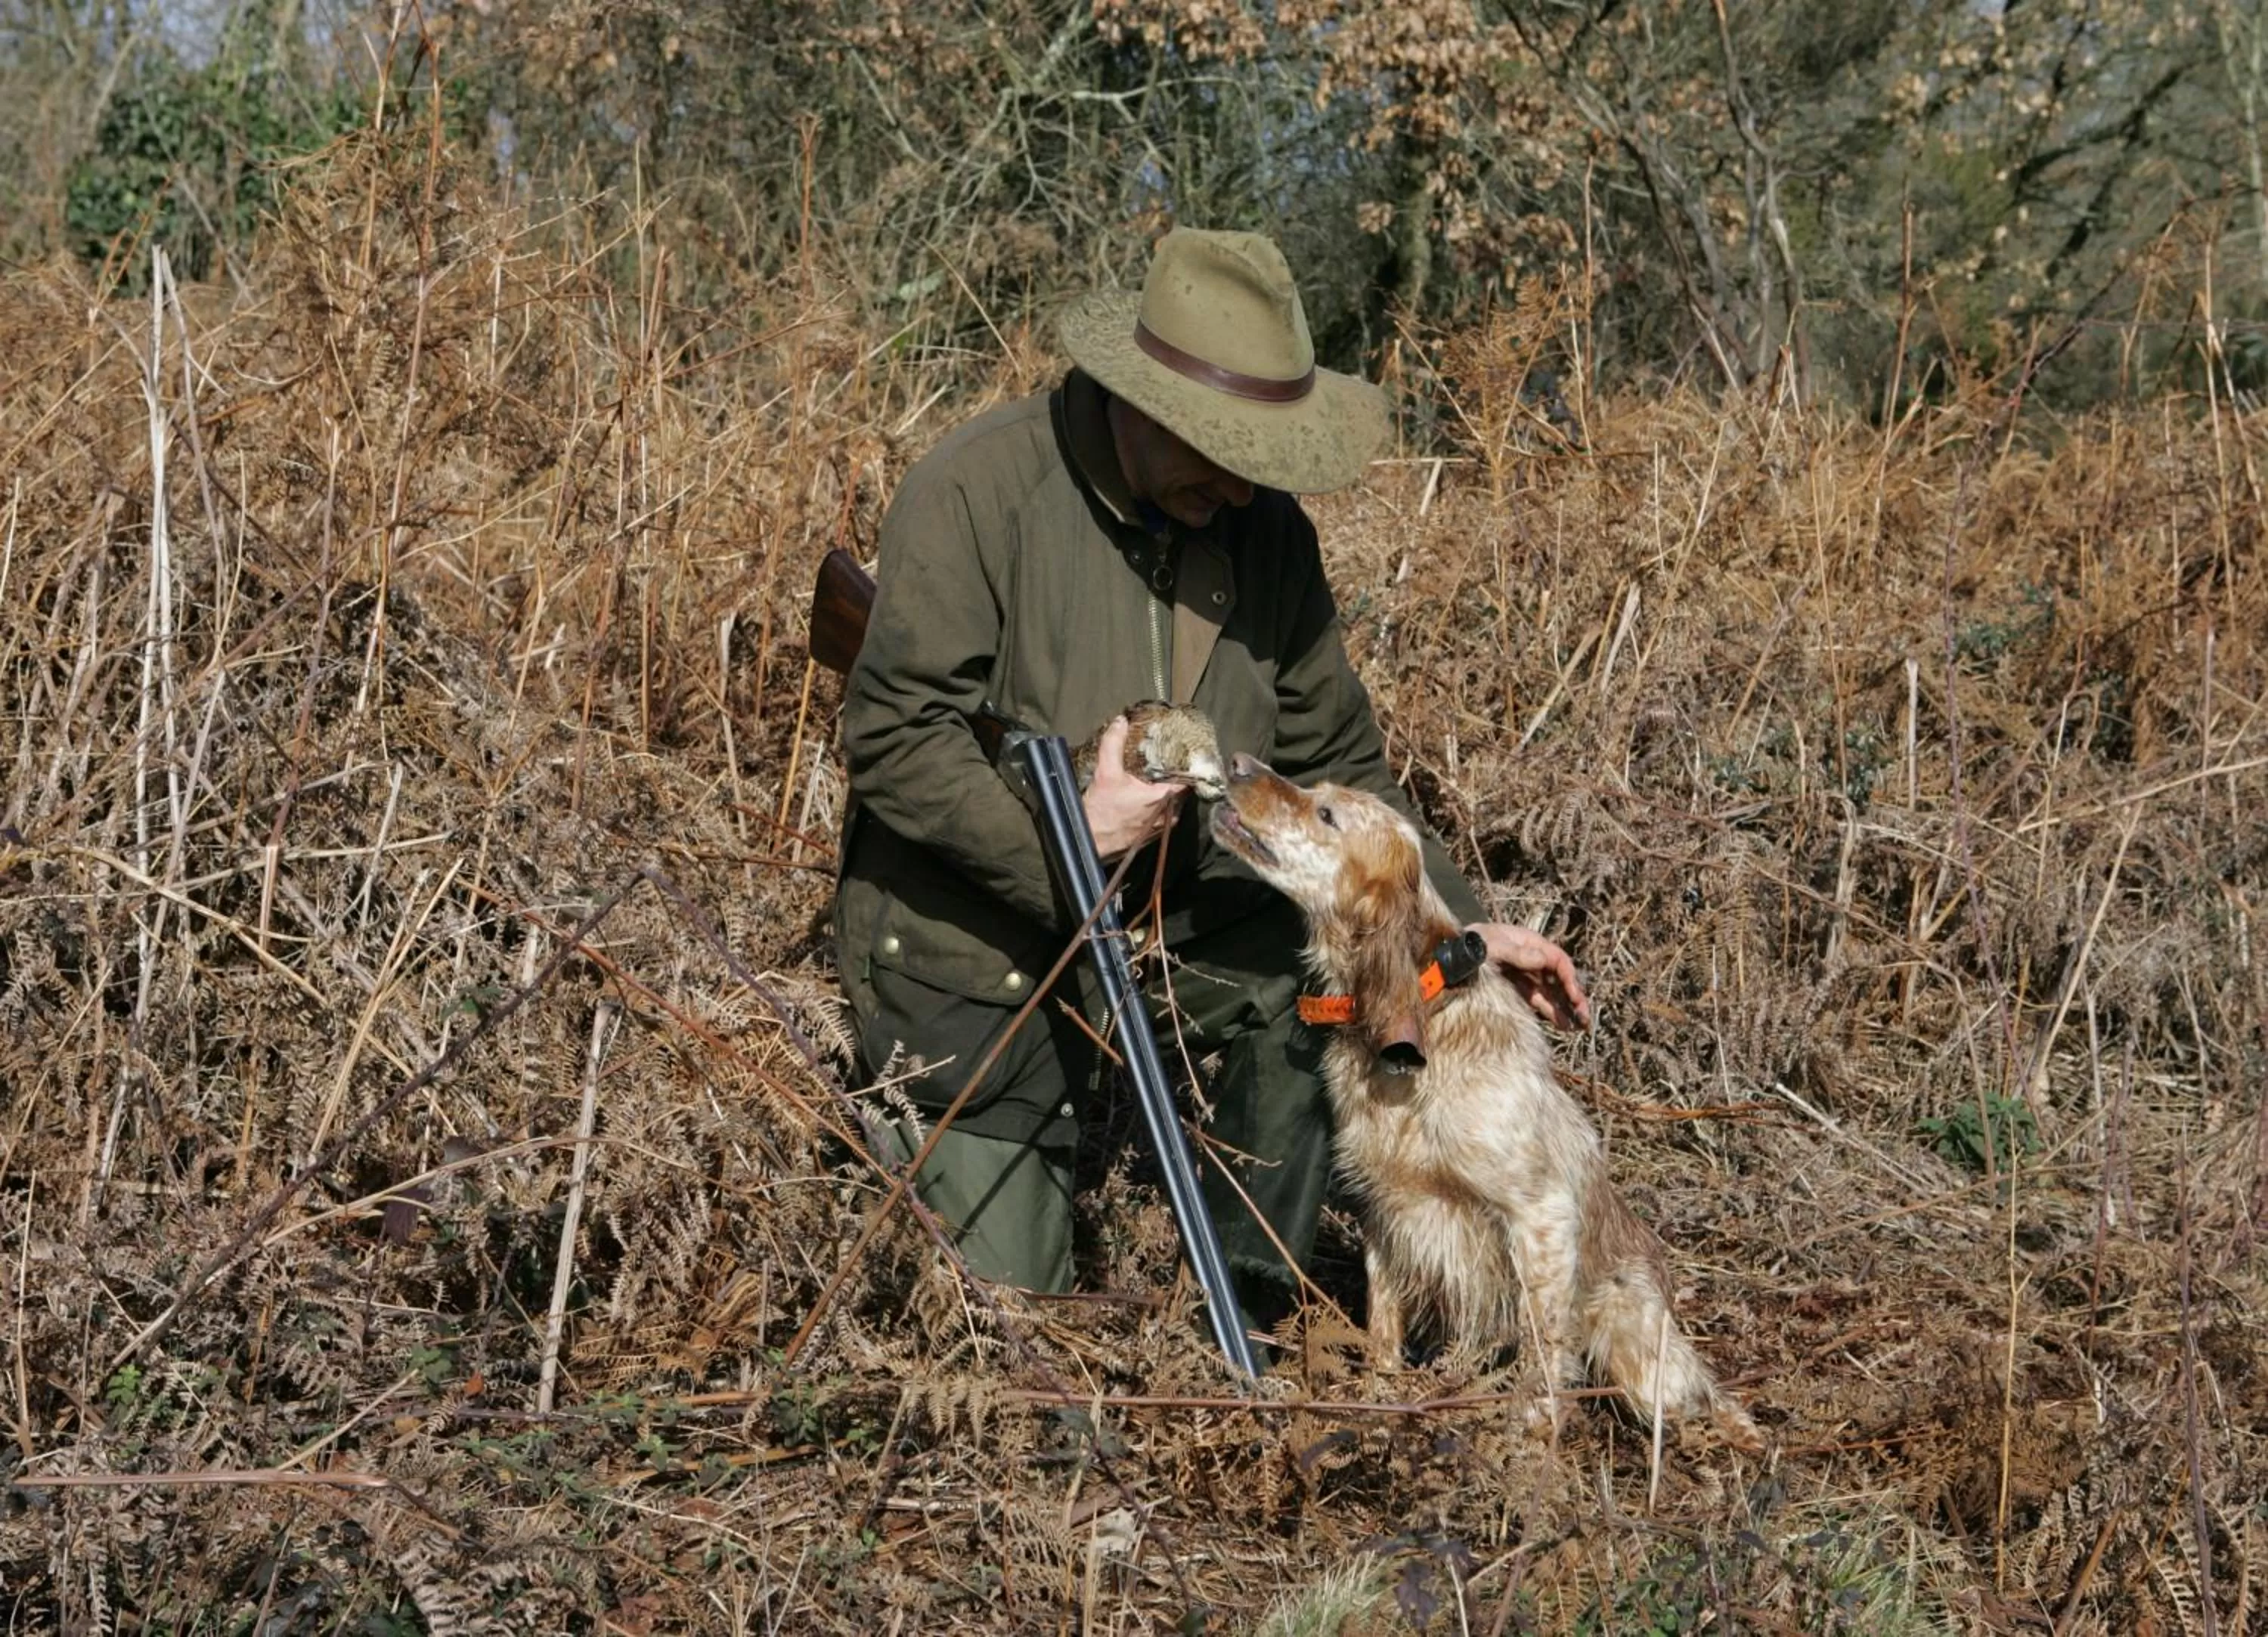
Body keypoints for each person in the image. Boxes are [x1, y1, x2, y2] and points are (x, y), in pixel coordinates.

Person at [832, 227, 1590, 1328]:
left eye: (1257, 455)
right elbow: (896, 735)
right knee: (1020, 1334)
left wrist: (1460, 933)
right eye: (1215, 447)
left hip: (1171, 915)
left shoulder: (1264, 531)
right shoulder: (976, 491)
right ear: (1133, 398)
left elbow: (1342, 762)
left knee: (1321, 993)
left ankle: (1245, 1316)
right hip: (977, 937)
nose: (1238, 485)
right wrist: (1071, 836)